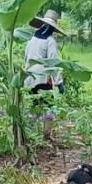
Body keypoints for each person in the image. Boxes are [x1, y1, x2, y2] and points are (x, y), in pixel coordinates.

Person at [24, 9, 66, 148]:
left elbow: (26, 58)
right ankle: (47, 134)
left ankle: (28, 134)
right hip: (42, 78)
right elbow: (52, 63)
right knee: (49, 107)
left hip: (29, 78)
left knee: (34, 106)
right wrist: (59, 82)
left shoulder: (32, 39)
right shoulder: (50, 41)